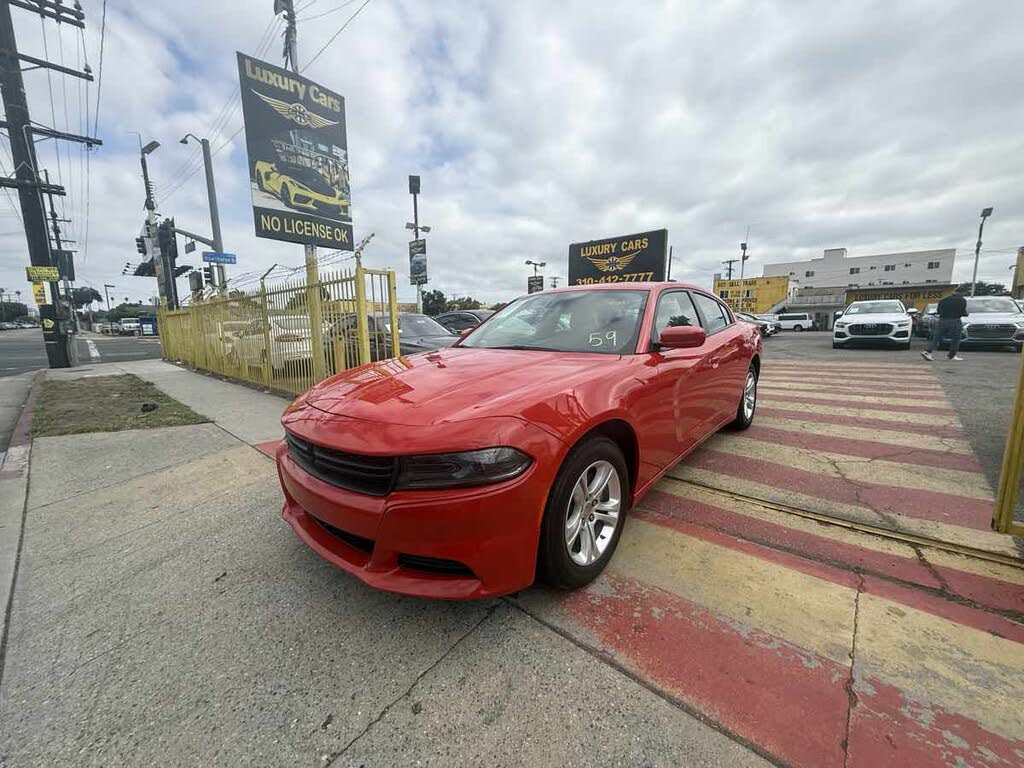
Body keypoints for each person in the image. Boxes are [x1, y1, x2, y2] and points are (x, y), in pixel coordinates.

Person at [922, 288, 968, 361]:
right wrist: (965, 314)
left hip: (942, 320)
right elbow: (963, 312)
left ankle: (927, 351)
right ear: (961, 293)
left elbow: (939, 311)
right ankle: (951, 355)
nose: (964, 294)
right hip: (955, 320)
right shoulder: (962, 300)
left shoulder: (944, 300)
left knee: (937, 337)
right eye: (963, 293)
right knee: (956, 339)